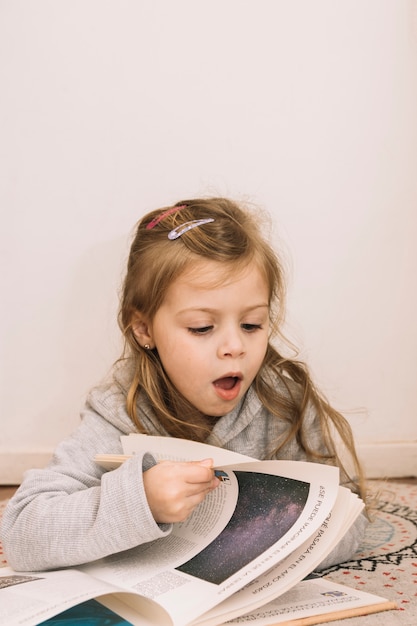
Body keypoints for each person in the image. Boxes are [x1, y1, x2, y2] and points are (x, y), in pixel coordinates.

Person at [1, 197, 368, 572]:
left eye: (252, 324)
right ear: (144, 329)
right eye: (202, 328)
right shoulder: (119, 414)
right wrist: (140, 501)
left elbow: (350, 515)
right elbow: (22, 534)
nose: (234, 347)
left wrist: (269, 540)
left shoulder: (282, 402)